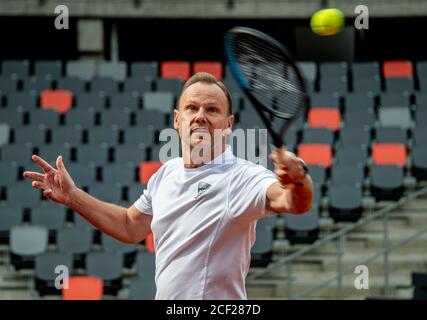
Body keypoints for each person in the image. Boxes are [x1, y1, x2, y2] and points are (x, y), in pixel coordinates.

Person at [23, 72, 314, 300]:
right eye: (192, 108)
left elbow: (293, 202)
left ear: (228, 124)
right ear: (177, 120)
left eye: (212, 110)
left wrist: (299, 179)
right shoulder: (167, 174)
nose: (200, 115)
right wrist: (73, 196)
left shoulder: (242, 177)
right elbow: (129, 226)